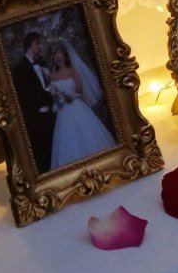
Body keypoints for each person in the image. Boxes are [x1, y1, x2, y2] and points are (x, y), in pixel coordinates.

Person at [47, 40, 116, 170]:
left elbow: (79, 90)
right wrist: (59, 98)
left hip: (77, 107)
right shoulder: (52, 77)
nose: (58, 57)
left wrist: (71, 96)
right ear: (53, 58)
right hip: (63, 113)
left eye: (60, 54)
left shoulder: (73, 71)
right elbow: (52, 95)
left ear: (65, 56)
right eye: (55, 54)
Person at [10, 31, 56, 175]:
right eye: (37, 44)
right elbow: (25, 96)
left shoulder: (42, 63)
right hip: (36, 119)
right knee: (41, 151)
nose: (40, 46)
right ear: (29, 46)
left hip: (51, 113)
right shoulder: (20, 69)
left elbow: (48, 84)